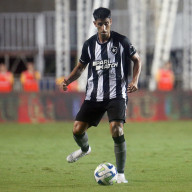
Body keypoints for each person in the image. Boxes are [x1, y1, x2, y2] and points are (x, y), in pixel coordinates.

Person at [62, 7, 142, 183]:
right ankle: (85, 149)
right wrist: (68, 81)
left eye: (106, 24)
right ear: (95, 24)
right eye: (100, 25)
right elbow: (81, 67)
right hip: (94, 96)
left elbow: (137, 59)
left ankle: (120, 174)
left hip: (117, 94)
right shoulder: (89, 45)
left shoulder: (122, 41)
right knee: (77, 130)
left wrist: (135, 81)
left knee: (116, 129)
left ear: (110, 22)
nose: (104, 28)